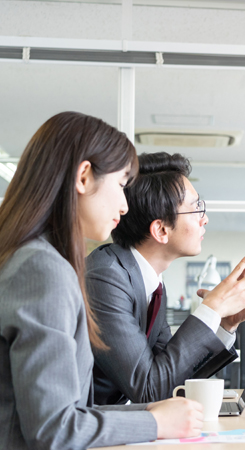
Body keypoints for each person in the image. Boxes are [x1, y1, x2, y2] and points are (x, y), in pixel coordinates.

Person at [0, 112, 203, 448]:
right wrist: (154, 422)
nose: (125, 205)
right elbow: (55, 429)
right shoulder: (42, 269)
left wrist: (151, 413)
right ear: (84, 177)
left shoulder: (36, 258)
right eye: (122, 186)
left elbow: (69, 412)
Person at [85, 152, 245, 405]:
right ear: (161, 230)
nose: (204, 218)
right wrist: (210, 309)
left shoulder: (151, 282)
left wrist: (223, 324)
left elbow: (170, 378)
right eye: (196, 208)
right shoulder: (106, 278)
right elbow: (148, 389)